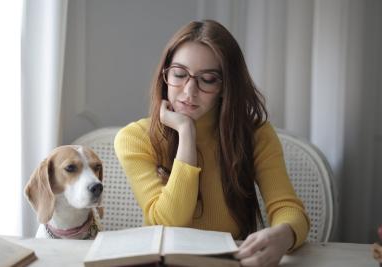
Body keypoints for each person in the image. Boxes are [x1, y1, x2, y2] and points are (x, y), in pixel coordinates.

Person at [114, 19, 309, 267]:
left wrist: (285, 234)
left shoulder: (255, 135)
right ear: (165, 75)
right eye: (179, 74)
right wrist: (186, 132)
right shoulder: (135, 138)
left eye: (207, 79)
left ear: (226, 86)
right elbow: (168, 224)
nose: (189, 91)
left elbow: (287, 207)